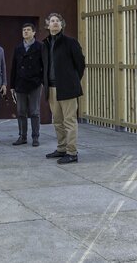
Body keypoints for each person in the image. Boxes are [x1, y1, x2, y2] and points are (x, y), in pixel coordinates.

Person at [42, 13, 85, 164]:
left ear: (62, 25)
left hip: (67, 88)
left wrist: (72, 80)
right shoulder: (45, 44)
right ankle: (61, 148)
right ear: (47, 25)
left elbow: (80, 64)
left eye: (58, 21)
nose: (55, 23)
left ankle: (72, 152)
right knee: (57, 121)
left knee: (69, 121)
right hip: (51, 88)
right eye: (52, 21)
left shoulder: (70, 42)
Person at [10, 23, 44, 147]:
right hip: (20, 83)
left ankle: (35, 137)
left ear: (34, 32)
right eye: (24, 30)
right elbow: (14, 67)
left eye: (28, 30)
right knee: (21, 111)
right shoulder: (18, 47)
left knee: (34, 112)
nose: (25, 32)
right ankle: (22, 136)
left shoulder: (40, 47)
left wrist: (41, 80)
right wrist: (12, 85)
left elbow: (44, 65)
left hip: (35, 83)